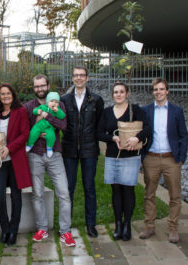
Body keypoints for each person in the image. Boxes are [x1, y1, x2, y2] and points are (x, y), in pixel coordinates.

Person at [24, 74, 75, 247]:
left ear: (48, 85)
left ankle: (65, 231)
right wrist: (37, 129)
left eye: (42, 85)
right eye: (36, 86)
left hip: (55, 154)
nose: (39, 89)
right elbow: (26, 130)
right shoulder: (29, 106)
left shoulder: (58, 104)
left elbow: (63, 125)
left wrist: (46, 117)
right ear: (34, 88)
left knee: (64, 193)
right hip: (35, 155)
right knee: (37, 194)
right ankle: (42, 228)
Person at [97, 82, 150, 241]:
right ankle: (118, 224)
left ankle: (127, 225)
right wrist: (112, 137)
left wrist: (136, 138)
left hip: (131, 156)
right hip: (113, 156)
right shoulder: (107, 112)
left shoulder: (136, 110)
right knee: (116, 190)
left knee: (128, 190)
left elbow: (147, 128)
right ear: (113, 94)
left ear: (127, 93)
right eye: (115, 92)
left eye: (121, 92)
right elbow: (98, 133)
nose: (118, 94)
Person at [139, 78, 188, 243]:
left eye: (161, 89)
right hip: (151, 158)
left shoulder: (177, 111)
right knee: (149, 194)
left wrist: (181, 158)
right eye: (155, 89)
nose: (158, 92)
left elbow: (183, 135)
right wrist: (142, 155)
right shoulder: (145, 111)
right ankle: (149, 226)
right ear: (153, 92)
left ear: (167, 91)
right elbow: (141, 132)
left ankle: (173, 228)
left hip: (171, 159)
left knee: (175, 195)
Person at [61, 66, 104, 238]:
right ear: (72, 78)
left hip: (89, 151)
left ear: (87, 78)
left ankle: (90, 225)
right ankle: (66, 226)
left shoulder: (96, 100)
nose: (79, 78)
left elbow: (99, 125)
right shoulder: (65, 100)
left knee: (89, 188)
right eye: (76, 75)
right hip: (69, 150)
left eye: (82, 75)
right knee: (68, 189)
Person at [0, 83, 32, 246]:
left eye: (8, 93)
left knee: (16, 196)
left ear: (13, 95)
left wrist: (9, 148)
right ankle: (5, 229)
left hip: (15, 159)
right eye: (2, 94)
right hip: (0, 162)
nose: (5, 96)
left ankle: (13, 231)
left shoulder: (20, 111)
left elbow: (25, 135)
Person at [26, 92, 66, 158]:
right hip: (39, 125)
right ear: (47, 102)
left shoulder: (57, 111)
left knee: (51, 136)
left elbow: (62, 116)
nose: (54, 103)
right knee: (33, 133)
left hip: (49, 127)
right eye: (52, 101)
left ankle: (49, 148)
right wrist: (37, 111)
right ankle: (30, 145)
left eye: (56, 102)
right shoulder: (43, 107)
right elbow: (34, 110)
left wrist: (57, 111)